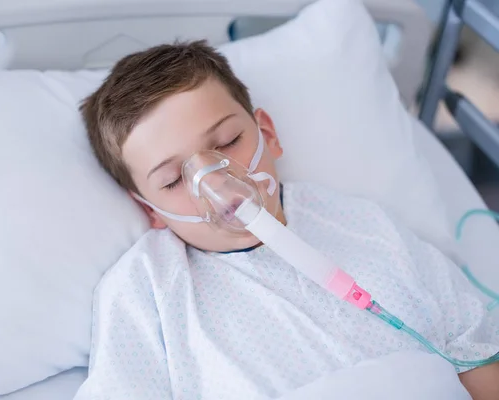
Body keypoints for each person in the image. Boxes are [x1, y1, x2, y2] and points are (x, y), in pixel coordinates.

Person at [74, 40, 499, 399]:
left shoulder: (362, 225)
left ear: (268, 136)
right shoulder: (148, 290)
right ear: (150, 209)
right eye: (172, 181)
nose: (216, 182)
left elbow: (471, 347)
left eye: (228, 141)